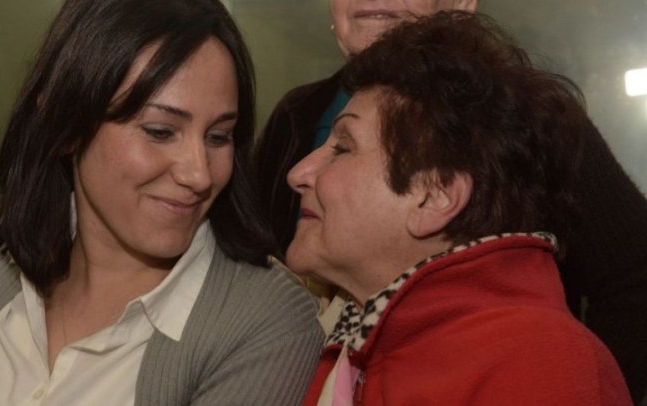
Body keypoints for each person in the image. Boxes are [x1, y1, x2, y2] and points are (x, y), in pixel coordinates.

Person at [0, 0, 647, 401]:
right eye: (162, 129)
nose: (298, 175)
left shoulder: (537, 132)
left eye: (220, 135)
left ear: (438, 194)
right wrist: (17, 226)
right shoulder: (354, 350)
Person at [0, 0, 323, 405]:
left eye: (218, 137)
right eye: (160, 131)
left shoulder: (264, 322)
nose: (199, 174)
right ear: (65, 126)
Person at [252, 0, 647, 402]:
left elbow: (633, 280)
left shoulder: (528, 124)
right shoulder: (295, 116)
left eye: (345, 148)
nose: (299, 175)